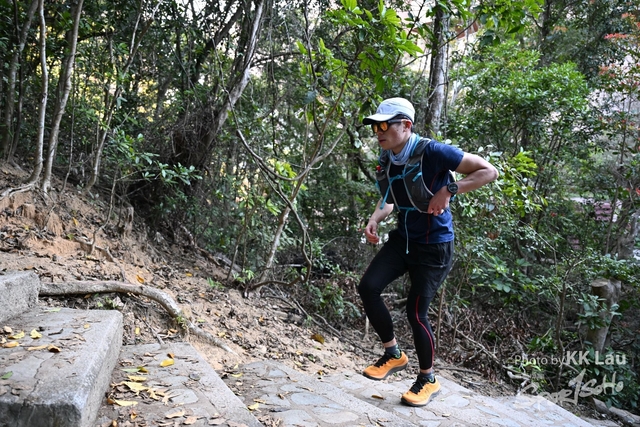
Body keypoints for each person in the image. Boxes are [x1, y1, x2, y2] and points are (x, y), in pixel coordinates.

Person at [358, 97, 498, 407]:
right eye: (375, 127)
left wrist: (449, 190)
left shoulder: (434, 151)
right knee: (368, 287)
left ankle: (427, 379)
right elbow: (390, 198)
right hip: (404, 238)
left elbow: (489, 171)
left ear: (406, 126)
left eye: (384, 125)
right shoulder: (388, 157)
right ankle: (393, 354)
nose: (378, 132)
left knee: (416, 312)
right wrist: (374, 219)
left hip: (434, 245)